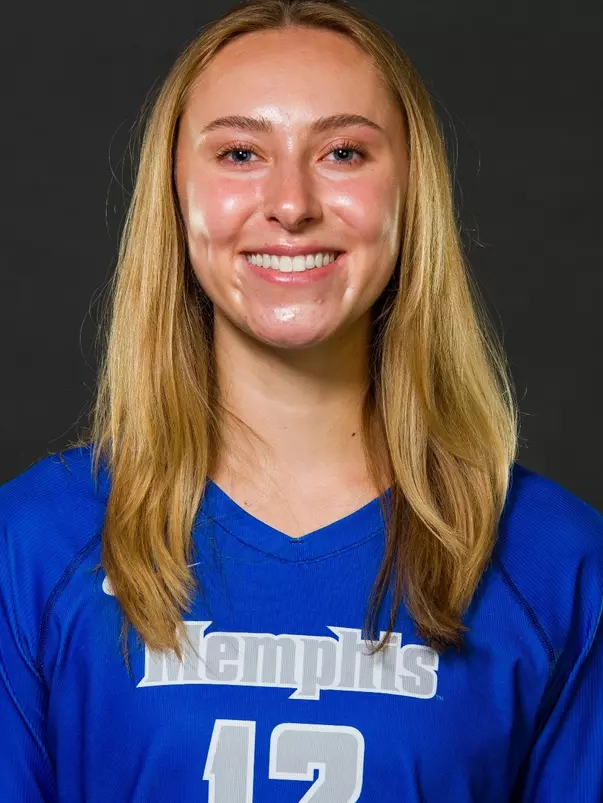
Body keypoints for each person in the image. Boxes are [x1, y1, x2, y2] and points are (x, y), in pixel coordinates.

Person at [1, 0, 601, 800]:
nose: (290, 203)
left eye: (344, 151)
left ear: (409, 194)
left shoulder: (556, 560)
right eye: (240, 152)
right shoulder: (35, 543)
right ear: (175, 196)